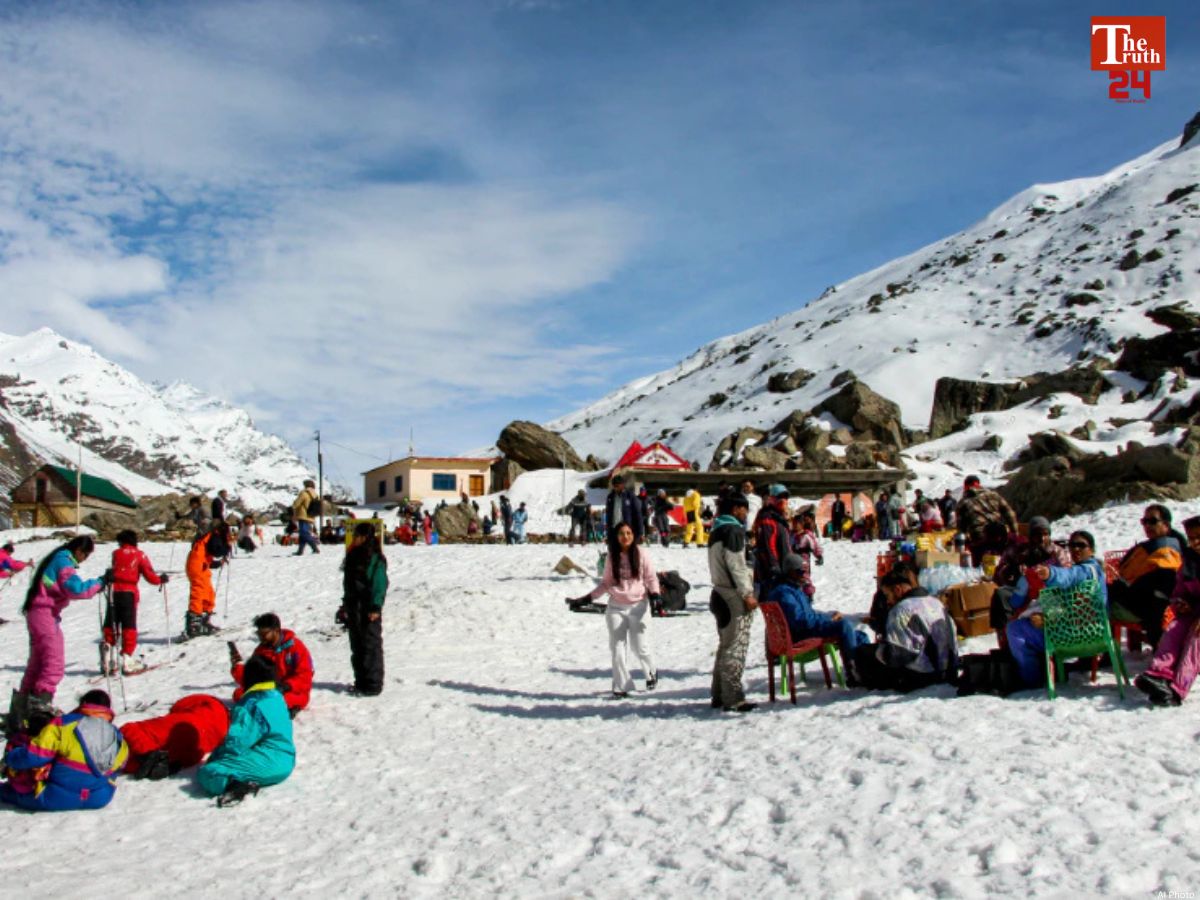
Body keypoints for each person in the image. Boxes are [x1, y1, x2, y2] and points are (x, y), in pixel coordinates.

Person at [10, 537, 105, 729]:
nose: (84, 559)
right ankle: (40, 709)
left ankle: (20, 712)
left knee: (37, 663)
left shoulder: (57, 558)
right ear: (78, 550)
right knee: (54, 663)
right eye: (85, 554)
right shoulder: (64, 562)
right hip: (45, 615)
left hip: (38, 613)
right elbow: (75, 589)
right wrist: (100, 582)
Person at [1006, 530, 1106, 690]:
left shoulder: (1087, 570)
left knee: (1015, 629)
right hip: (1093, 630)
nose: (1076, 549)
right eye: (1072, 545)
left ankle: (1031, 680)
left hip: (1073, 634)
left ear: (1092, 550)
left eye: (1081, 545)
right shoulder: (1095, 571)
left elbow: (1070, 576)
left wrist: (1051, 574)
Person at [1, 690, 127, 811]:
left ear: (84, 704)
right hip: (99, 798)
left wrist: (10, 758)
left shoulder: (63, 724)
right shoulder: (116, 735)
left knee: (9, 792)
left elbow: (33, 756)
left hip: (55, 797)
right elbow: (120, 765)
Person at [196, 655, 295, 800]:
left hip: (269, 765)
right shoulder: (277, 697)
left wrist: (216, 757)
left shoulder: (251, 703)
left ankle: (235, 786)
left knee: (209, 772)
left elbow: (238, 743)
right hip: (287, 761)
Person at [581, 522, 659, 698]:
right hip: (616, 606)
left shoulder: (641, 554)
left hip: (639, 605)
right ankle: (622, 686)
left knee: (640, 647)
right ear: (616, 537)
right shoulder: (611, 556)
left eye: (629, 533)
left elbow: (651, 577)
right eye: (622, 533)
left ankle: (650, 672)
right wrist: (588, 598)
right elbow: (606, 583)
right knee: (617, 647)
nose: (626, 537)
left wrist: (655, 594)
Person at [854, 566, 959, 692]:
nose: (887, 601)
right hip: (949, 671)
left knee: (863, 653)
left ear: (897, 590)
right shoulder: (935, 602)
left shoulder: (902, 609)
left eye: (888, 595)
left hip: (923, 677)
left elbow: (898, 655)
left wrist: (880, 651)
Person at [767, 554, 868, 680]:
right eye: (800, 571)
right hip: (799, 636)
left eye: (805, 571)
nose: (804, 575)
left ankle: (866, 669)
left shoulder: (794, 589)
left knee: (859, 635)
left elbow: (808, 614)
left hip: (806, 630)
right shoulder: (784, 593)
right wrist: (827, 620)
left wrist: (828, 616)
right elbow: (800, 620)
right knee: (844, 625)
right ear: (790, 572)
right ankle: (854, 674)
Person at [1136, 516, 1200, 706]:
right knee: (1173, 630)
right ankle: (1159, 675)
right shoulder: (1189, 561)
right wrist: (1180, 602)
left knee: (1195, 639)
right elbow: (1180, 589)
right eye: (1191, 538)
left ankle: (1177, 689)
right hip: (1194, 612)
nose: (1194, 543)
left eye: (1199, 537)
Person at [708, 492, 758, 712]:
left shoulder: (717, 529)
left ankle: (718, 694)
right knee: (735, 648)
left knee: (725, 647)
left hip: (718, 591)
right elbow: (737, 565)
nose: (746, 513)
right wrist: (747, 593)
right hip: (732, 594)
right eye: (744, 508)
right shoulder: (733, 531)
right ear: (735, 509)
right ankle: (733, 697)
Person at [1109, 504, 1185, 648]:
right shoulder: (1157, 545)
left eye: (1153, 521)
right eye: (1145, 521)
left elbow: (1158, 584)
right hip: (1140, 603)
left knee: (1100, 606)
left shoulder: (1167, 551)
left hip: (1145, 609)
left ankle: (1103, 654)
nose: (1147, 525)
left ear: (1166, 525)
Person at [990, 516, 1071, 641]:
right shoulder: (1019, 551)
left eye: (1045, 534)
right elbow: (998, 573)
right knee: (1000, 595)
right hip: (1023, 591)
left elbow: (1067, 573)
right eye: (1037, 535)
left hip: (1050, 592)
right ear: (1030, 536)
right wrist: (1010, 570)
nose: (1041, 539)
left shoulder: (1057, 552)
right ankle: (1006, 638)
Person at [103, 529, 167, 676]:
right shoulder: (139, 554)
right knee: (128, 625)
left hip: (113, 591)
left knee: (111, 623)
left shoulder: (116, 553)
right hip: (128, 592)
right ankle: (127, 659)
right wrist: (160, 580)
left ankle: (107, 656)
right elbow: (149, 575)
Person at [121, 694, 230, 780]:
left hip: (194, 714)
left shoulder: (180, 721)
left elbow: (128, 729)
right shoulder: (213, 738)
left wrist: (148, 754)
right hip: (203, 722)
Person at [229, 613, 314, 714]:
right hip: (270, 690)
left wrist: (286, 686)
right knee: (239, 694)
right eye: (259, 634)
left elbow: (305, 676)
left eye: (264, 634)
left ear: (276, 631)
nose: (261, 638)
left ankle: (285, 709)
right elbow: (250, 679)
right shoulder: (261, 650)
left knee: (280, 699)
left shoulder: (296, 648)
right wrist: (237, 666)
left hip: (292, 691)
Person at [342, 522, 388, 696]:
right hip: (354, 607)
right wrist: (345, 604)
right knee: (357, 645)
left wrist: (376, 605)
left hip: (369, 607)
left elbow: (379, 583)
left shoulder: (375, 558)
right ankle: (360, 681)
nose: (355, 539)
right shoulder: (353, 555)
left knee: (370, 646)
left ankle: (373, 685)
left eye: (358, 536)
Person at [955, 475, 1020, 565]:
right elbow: (1010, 514)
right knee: (1002, 564)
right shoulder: (994, 495)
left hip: (980, 539)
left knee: (982, 569)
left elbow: (961, 529)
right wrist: (1014, 534)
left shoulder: (963, 502)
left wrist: (965, 545)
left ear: (966, 486)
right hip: (1000, 536)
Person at [184, 526, 225, 639]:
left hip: (200, 566)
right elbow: (216, 550)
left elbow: (206, 555)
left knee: (208, 593)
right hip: (198, 567)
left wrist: (216, 564)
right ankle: (194, 625)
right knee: (198, 593)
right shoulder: (213, 536)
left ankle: (203, 621)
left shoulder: (205, 539)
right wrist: (226, 549)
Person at [753, 484, 792, 595]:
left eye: (785, 497)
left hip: (784, 566)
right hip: (772, 570)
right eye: (780, 497)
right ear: (772, 499)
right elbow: (768, 545)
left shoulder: (779, 518)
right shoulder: (767, 517)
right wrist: (773, 566)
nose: (783, 500)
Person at [604, 475, 644, 541]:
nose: (615, 488)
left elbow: (638, 514)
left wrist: (640, 532)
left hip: (626, 530)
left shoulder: (630, 496)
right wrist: (608, 532)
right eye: (614, 486)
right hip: (614, 529)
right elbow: (609, 514)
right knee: (615, 550)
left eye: (617, 486)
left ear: (622, 485)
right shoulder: (610, 497)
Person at [292, 479, 321, 556]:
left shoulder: (304, 493)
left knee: (304, 533)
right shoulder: (315, 495)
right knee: (302, 534)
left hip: (303, 515)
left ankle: (315, 548)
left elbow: (296, 503)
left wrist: (293, 506)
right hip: (311, 516)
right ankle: (300, 551)